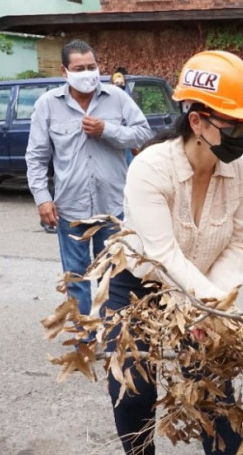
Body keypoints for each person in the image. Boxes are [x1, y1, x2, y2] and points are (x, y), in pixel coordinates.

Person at [107, 50, 243, 455]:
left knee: (214, 388)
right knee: (136, 388)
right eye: (233, 124)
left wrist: (216, 312)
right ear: (197, 121)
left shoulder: (241, 170)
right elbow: (162, 256)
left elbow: (238, 244)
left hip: (204, 286)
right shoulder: (151, 169)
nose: (242, 134)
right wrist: (210, 309)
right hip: (139, 287)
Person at [26, 40, 153, 317]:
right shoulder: (47, 105)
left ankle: (111, 336)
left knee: (112, 276)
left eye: (92, 67)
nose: (87, 73)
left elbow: (144, 133)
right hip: (71, 208)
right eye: (79, 68)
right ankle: (84, 338)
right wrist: (43, 199)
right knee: (76, 276)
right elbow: (36, 157)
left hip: (113, 208)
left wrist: (107, 129)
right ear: (65, 71)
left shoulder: (117, 98)